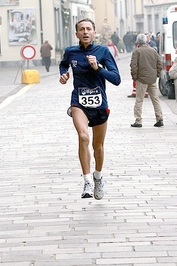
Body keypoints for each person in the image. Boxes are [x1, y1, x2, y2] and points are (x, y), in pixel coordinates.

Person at [59, 18, 121, 200]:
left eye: (88, 29)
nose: (85, 32)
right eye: (81, 29)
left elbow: (116, 79)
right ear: (76, 33)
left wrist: (98, 68)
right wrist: (63, 75)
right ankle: (86, 181)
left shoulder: (103, 51)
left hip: (100, 104)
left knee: (98, 146)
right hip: (79, 101)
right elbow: (63, 64)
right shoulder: (71, 52)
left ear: (94, 33)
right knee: (83, 136)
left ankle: (98, 178)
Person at [130, 33, 163, 128]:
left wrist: (134, 77)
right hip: (152, 79)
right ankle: (159, 118)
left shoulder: (137, 52)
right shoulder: (153, 51)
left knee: (139, 100)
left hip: (141, 79)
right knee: (155, 99)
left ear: (137, 41)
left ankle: (138, 120)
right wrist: (157, 74)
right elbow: (159, 64)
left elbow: (133, 66)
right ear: (146, 41)